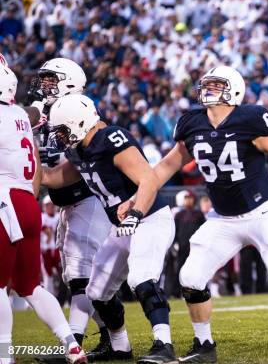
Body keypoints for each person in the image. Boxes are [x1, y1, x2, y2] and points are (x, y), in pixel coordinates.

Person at [124, 65, 268, 362]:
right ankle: (204, 346)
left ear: (234, 91)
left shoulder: (249, 119)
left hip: (263, 212)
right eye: (208, 85)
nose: (209, 90)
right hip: (223, 218)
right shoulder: (192, 123)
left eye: (217, 85)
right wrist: (136, 198)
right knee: (190, 276)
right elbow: (164, 168)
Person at [42, 94, 176, 363]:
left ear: (79, 122)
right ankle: (120, 346)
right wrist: (24, 153)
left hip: (149, 218)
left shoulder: (111, 139)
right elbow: (53, 179)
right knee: (96, 291)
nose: (59, 137)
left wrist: (135, 212)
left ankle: (164, 345)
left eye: (62, 130)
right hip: (121, 226)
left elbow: (148, 179)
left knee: (141, 278)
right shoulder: (79, 150)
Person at [0, 58, 87, 364]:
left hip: (3, 201)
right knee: (29, 285)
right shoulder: (19, 115)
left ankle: (4, 355)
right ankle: (72, 345)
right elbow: (34, 113)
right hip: (27, 202)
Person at [27, 58, 114, 357]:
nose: (44, 85)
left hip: (87, 198)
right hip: (67, 203)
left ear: (69, 82)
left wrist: (39, 178)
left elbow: (77, 167)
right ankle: (115, 341)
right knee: (76, 277)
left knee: (81, 275)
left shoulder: (77, 110)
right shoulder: (47, 113)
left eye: (52, 80)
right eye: (45, 79)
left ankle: (73, 344)